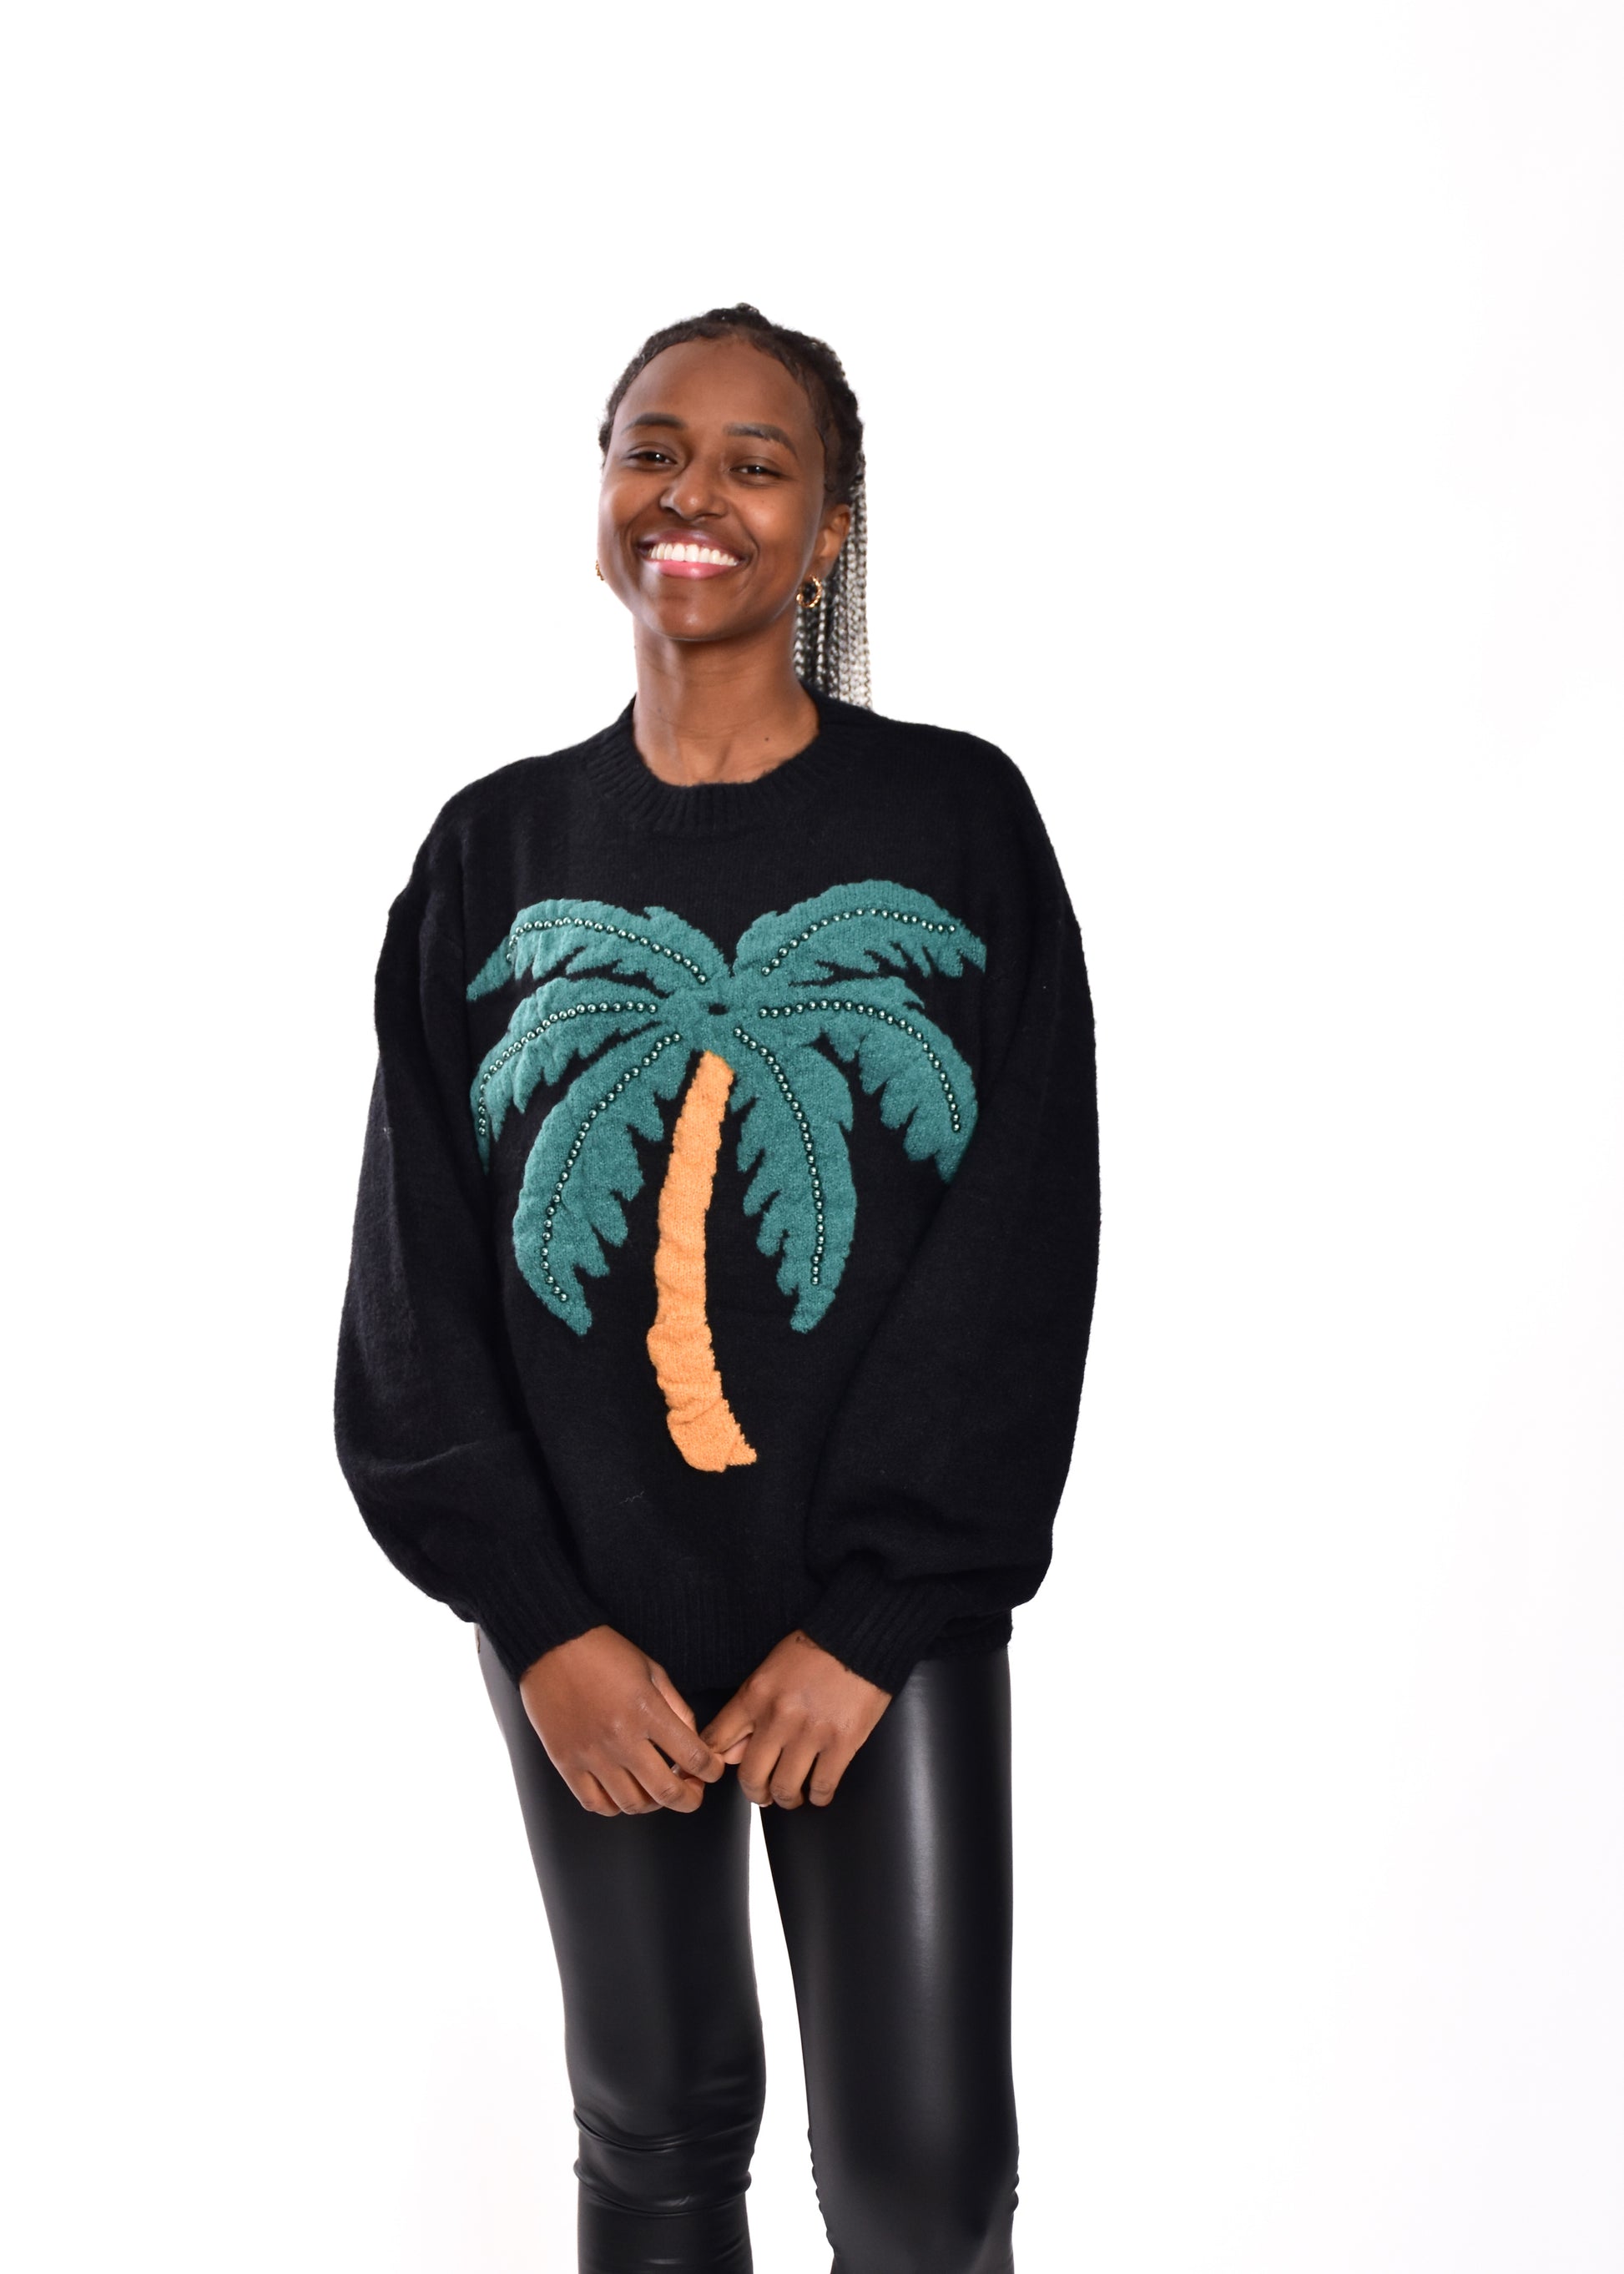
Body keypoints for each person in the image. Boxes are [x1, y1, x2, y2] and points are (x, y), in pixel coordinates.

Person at [335, 304, 1101, 2274]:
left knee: (926, 2182)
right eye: (651, 448)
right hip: (592, 1630)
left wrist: (877, 1615)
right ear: (601, 495)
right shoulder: (495, 852)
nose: (694, 494)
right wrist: (542, 1625)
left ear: (827, 528)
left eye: (757, 464)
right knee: (656, 2134)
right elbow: (420, 1284)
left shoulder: (954, 820)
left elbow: (1021, 1242)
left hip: (876, 1628)